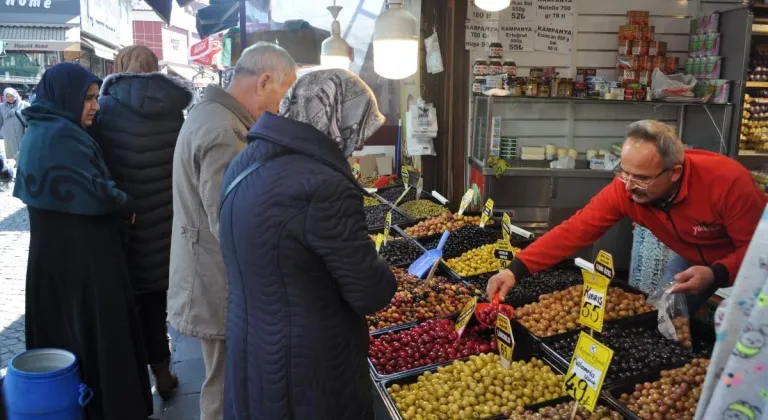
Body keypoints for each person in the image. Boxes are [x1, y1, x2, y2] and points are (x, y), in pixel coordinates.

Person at [219, 69, 396, 419]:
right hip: (308, 367)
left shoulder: (244, 161)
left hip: (250, 345)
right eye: (358, 128)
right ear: (336, 117)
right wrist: (380, 266)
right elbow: (370, 292)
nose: (358, 142)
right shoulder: (324, 184)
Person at [487, 120, 768, 314]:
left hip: (754, 261)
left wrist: (717, 272)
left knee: (743, 337)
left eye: (642, 178)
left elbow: (759, 250)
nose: (629, 185)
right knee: (665, 317)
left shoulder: (727, 182)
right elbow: (577, 230)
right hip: (693, 258)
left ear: (675, 173)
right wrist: (516, 269)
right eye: (624, 172)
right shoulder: (625, 188)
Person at [12, 63, 152, 419]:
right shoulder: (60, 136)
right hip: (85, 266)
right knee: (97, 339)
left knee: (74, 338)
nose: (95, 106)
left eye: (94, 97)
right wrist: (125, 202)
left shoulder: (45, 128)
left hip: (61, 262)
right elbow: (97, 194)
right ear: (66, 97)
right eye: (87, 98)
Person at [168, 41, 297, 420]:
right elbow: (231, 224)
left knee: (227, 380)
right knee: (227, 387)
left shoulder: (212, 115)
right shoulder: (224, 131)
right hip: (217, 284)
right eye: (285, 92)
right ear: (265, 81)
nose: (283, 105)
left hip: (208, 275)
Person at [92, 45, 195, 400]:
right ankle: (163, 373)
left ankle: (133, 380)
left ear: (118, 68)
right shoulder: (173, 112)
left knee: (131, 304)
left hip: (127, 225)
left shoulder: (104, 111)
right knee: (157, 298)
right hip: (167, 222)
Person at [1, 87, 29, 161]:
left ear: (16, 95)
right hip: (9, 136)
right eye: (7, 97)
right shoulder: (1, 107)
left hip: (22, 134)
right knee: (12, 157)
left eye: (12, 96)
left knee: (24, 154)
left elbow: (31, 119)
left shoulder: (25, 105)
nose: (10, 98)